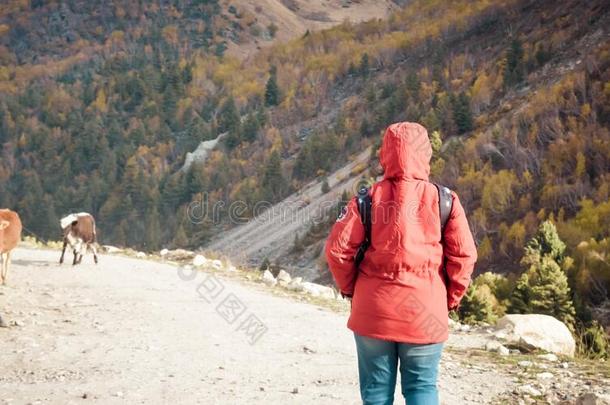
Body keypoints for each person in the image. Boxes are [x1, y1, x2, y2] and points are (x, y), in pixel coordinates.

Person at [325, 122, 477, 405]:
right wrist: (450, 299)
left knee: (376, 395)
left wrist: (351, 290)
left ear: (386, 153)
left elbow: (337, 250)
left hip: (374, 310)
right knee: (422, 388)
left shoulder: (365, 199)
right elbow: (464, 256)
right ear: (426, 154)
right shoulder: (446, 201)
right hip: (425, 313)